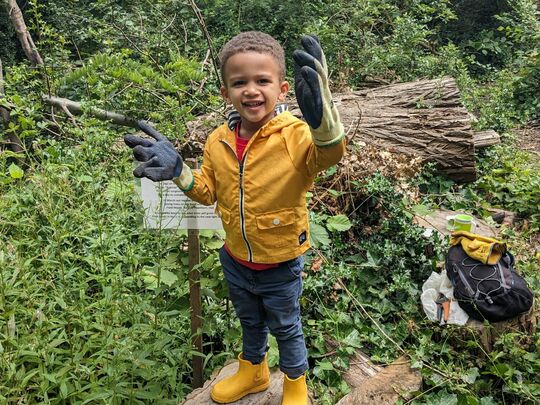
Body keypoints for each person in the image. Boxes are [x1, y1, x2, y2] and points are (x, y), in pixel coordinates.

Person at [125, 31, 345, 404]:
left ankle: (295, 384)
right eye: (239, 82)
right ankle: (253, 370)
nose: (251, 90)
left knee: (287, 327)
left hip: (280, 260)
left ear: (283, 88)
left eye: (263, 80)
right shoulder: (217, 140)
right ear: (225, 92)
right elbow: (208, 191)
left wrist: (323, 122)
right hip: (235, 257)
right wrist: (180, 171)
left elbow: (328, 155)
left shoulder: (295, 134)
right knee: (250, 321)